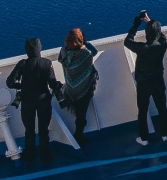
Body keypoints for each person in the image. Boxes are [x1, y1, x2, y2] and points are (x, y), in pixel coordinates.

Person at [6, 37, 62, 166]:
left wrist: (21, 87)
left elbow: (10, 82)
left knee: (29, 130)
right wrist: (59, 86)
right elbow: (52, 83)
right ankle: (45, 156)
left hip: (27, 101)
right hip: (43, 101)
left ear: (27, 50)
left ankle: (30, 157)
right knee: (44, 130)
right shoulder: (46, 63)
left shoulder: (22, 64)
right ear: (39, 48)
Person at [124, 13, 167, 145]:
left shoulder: (142, 48)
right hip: (158, 81)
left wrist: (136, 25)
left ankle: (144, 138)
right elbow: (161, 36)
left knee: (142, 111)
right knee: (162, 108)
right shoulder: (163, 44)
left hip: (144, 83)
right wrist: (150, 22)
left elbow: (127, 41)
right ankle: (165, 134)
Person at [59, 28, 98, 139]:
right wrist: (85, 43)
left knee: (78, 111)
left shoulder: (64, 51)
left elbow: (60, 59)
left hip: (70, 87)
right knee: (82, 113)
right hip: (84, 87)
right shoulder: (85, 53)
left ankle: (78, 134)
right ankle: (78, 135)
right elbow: (93, 52)